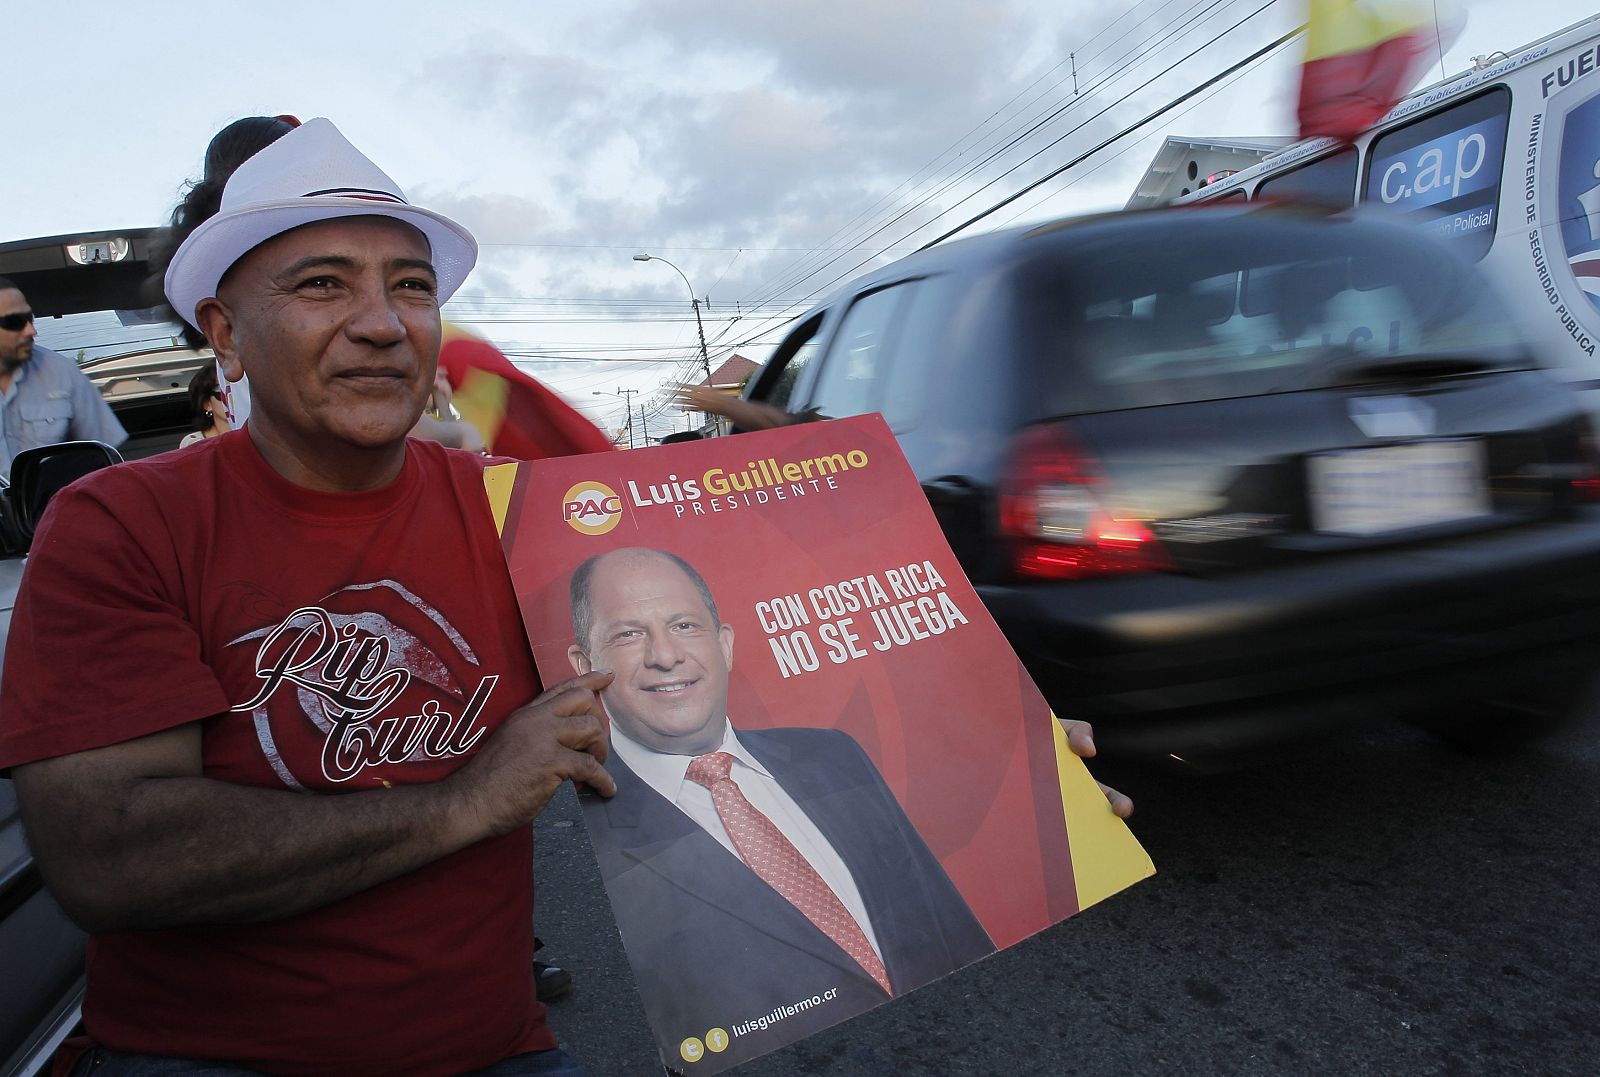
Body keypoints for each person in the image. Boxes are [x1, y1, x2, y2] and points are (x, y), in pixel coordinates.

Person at [0, 118, 615, 1076]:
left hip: (497, 1051)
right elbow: (106, 855)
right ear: (225, 335)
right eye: (322, 283)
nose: (382, 320)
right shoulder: (121, 524)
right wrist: (470, 799)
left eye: (410, 286)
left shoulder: (515, 512)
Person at [564, 547, 1000, 1068]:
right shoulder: (576, 838)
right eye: (628, 634)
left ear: (724, 645)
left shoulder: (834, 755)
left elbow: (953, 930)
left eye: (684, 625)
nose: (665, 655)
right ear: (584, 667)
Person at [0, 276, 127, 477]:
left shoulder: (61, 370)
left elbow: (105, 459)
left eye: (30, 319)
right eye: (15, 322)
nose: (31, 330)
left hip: (55, 505)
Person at [178, 362, 230, 447]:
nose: (231, 398)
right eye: (222, 391)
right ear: (207, 404)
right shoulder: (194, 444)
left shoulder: (257, 436)